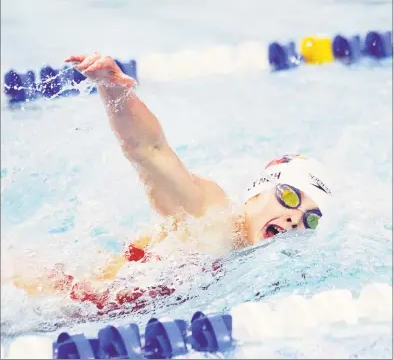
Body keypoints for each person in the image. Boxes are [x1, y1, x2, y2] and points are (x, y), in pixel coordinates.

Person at [9, 52, 334, 313]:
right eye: (290, 197)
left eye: (311, 217)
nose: (296, 218)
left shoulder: (253, 266)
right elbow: (149, 151)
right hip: (44, 294)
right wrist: (115, 90)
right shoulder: (211, 212)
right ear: (258, 191)